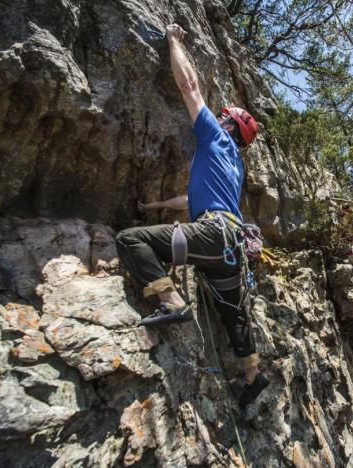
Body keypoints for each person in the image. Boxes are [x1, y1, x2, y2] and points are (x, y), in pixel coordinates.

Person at [115, 23, 268, 409]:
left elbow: (189, 86)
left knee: (131, 240)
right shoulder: (235, 167)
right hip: (229, 247)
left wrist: (173, 41)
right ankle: (252, 375)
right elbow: (193, 198)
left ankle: (172, 302)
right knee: (233, 314)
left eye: (223, 117)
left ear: (229, 125)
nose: (217, 119)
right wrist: (155, 208)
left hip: (212, 235)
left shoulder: (216, 137)